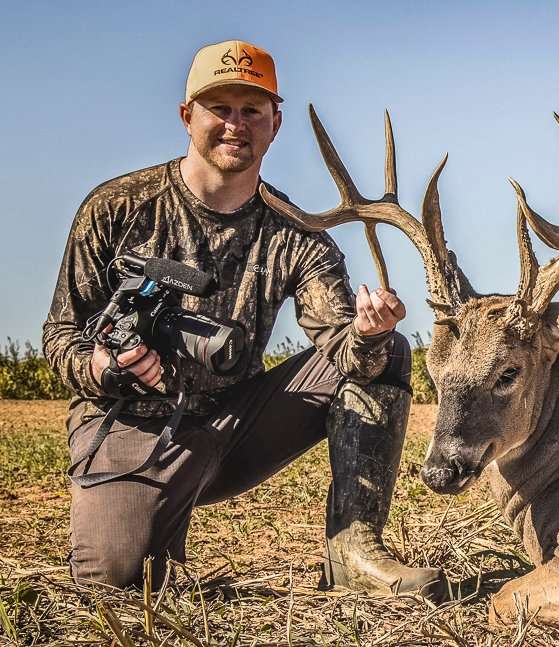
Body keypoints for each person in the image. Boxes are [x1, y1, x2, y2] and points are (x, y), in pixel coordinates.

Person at [42, 39, 445, 599]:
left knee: (389, 351)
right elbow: (60, 339)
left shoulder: (299, 236)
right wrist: (109, 366)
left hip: (231, 426)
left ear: (275, 123)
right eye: (220, 108)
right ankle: (146, 520)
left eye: (252, 110)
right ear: (188, 116)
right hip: (128, 425)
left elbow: (341, 346)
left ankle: (354, 551)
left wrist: (369, 333)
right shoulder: (116, 209)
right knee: (118, 580)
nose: (236, 124)